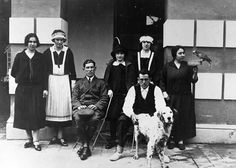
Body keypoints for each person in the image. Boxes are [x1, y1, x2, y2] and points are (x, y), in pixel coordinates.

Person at [109, 69, 166, 161]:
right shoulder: (133, 89)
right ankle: (119, 151)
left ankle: (160, 152)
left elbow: (161, 106)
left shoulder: (156, 89)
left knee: (161, 123)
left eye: (146, 80)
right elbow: (127, 105)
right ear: (138, 79)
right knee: (122, 120)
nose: (143, 82)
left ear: (150, 79)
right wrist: (132, 114)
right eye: (141, 79)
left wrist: (154, 117)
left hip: (151, 116)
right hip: (136, 115)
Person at [11, 33, 46, 151]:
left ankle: (36, 141)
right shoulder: (20, 56)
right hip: (23, 89)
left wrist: (45, 89)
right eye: (30, 41)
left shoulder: (40, 57)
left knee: (35, 114)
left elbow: (44, 74)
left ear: (37, 43)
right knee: (25, 114)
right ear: (26, 42)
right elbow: (13, 72)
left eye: (35, 42)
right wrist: (23, 77)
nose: (32, 44)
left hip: (36, 89)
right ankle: (29, 139)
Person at [160, 45, 198, 150]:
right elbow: (162, 80)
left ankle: (180, 140)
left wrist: (195, 73)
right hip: (171, 97)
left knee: (183, 117)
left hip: (185, 97)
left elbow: (193, 80)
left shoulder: (187, 66)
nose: (182, 55)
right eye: (180, 53)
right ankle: (171, 139)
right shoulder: (167, 66)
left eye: (183, 53)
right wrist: (164, 92)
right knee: (171, 118)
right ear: (174, 54)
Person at [44, 29, 76, 146]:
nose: (59, 42)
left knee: (63, 107)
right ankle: (53, 136)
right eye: (57, 39)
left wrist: (73, 84)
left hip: (64, 81)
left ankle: (61, 136)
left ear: (64, 41)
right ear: (53, 40)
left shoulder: (68, 51)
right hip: (52, 81)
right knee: (52, 107)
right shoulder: (48, 52)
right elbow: (44, 72)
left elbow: (72, 69)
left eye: (61, 40)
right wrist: (45, 87)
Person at [72, 59, 108, 160]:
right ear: (84, 69)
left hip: (95, 108)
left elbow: (104, 98)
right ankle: (86, 146)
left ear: (95, 68)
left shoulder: (101, 83)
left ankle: (84, 146)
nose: (90, 69)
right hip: (81, 108)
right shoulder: (79, 83)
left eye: (92, 67)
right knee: (78, 119)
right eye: (87, 67)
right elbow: (74, 98)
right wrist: (79, 105)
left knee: (94, 120)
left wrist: (96, 105)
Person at [104, 45, 136, 149]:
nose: (119, 56)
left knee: (123, 117)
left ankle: (121, 139)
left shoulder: (129, 65)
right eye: (117, 53)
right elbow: (106, 79)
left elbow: (131, 80)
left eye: (121, 53)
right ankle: (112, 138)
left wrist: (130, 93)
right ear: (115, 55)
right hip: (113, 95)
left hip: (125, 95)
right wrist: (109, 89)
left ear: (124, 55)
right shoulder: (111, 65)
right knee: (113, 117)